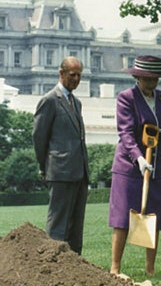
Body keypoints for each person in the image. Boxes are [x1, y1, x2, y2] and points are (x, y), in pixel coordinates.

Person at [109, 55, 161, 275]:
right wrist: (138, 158)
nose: (152, 83)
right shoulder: (126, 98)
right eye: (147, 79)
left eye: (155, 78)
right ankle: (115, 267)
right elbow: (126, 133)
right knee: (123, 218)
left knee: (152, 216)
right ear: (137, 77)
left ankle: (150, 269)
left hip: (156, 166)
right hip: (129, 167)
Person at [33, 56, 89, 255]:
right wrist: (45, 167)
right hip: (60, 172)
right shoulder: (49, 100)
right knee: (58, 225)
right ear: (61, 73)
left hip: (80, 173)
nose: (76, 79)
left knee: (76, 227)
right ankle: (53, 268)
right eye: (72, 75)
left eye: (79, 75)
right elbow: (39, 138)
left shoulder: (77, 102)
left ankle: (75, 271)